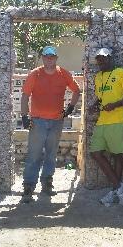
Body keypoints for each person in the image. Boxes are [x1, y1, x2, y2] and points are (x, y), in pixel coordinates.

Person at [20, 46, 80, 203]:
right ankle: (28, 186)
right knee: (34, 154)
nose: (49, 59)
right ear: (42, 58)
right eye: (46, 57)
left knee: (51, 154)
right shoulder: (35, 74)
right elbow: (25, 95)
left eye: (52, 57)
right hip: (38, 121)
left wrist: (70, 108)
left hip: (56, 121)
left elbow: (76, 90)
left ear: (56, 58)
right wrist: (24, 116)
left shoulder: (63, 74)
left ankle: (47, 183)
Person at [89, 48, 123, 206]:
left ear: (110, 58)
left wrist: (115, 105)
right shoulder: (98, 77)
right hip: (102, 120)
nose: (100, 62)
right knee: (95, 153)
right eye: (98, 60)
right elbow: (101, 98)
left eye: (103, 58)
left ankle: (114, 192)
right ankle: (119, 187)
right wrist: (95, 105)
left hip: (117, 120)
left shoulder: (121, 73)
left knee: (117, 155)